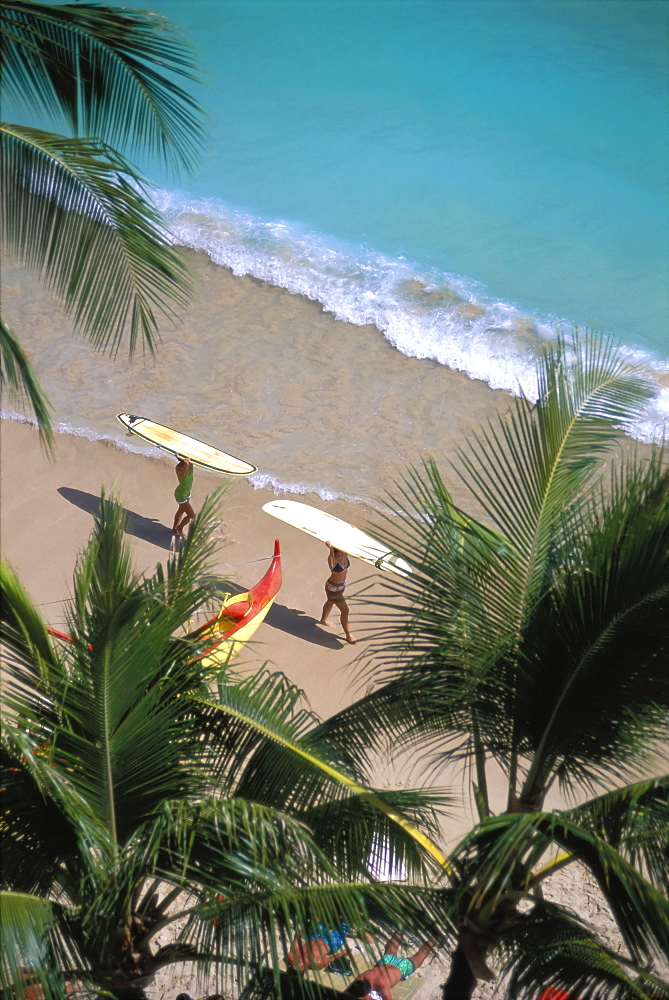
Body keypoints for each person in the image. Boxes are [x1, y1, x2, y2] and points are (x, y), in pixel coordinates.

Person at [343, 932, 435, 1000]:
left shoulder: (383, 986)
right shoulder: (363, 976)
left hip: (401, 968)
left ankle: (434, 939)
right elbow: (351, 989)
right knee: (392, 947)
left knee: (418, 957)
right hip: (387, 962)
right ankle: (400, 930)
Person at [319, 541, 356, 643]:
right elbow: (332, 565)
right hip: (333, 589)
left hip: (341, 586)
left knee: (330, 602)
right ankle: (348, 635)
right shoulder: (333, 558)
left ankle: (323, 620)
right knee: (345, 611)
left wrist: (352, 532)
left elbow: (351, 544)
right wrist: (330, 548)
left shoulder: (344, 554)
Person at [172, 456, 195, 536]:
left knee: (181, 510)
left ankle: (174, 528)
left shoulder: (191, 464)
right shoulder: (178, 468)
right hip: (180, 494)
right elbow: (182, 475)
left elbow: (196, 454)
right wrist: (185, 464)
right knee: (192, 516)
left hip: (187, 492)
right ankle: (180, 528)